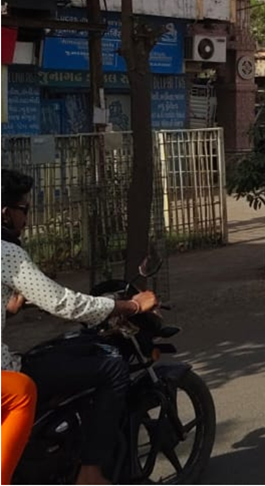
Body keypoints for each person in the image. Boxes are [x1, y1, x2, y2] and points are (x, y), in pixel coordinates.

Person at [2, 169, 158, 485]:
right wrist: (130, 305)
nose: (26, 220)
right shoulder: (7, 253)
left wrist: (9, 308)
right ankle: (91, 473)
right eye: (24, 210)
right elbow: (63, 303)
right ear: (5, 213)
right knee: (111, 367)